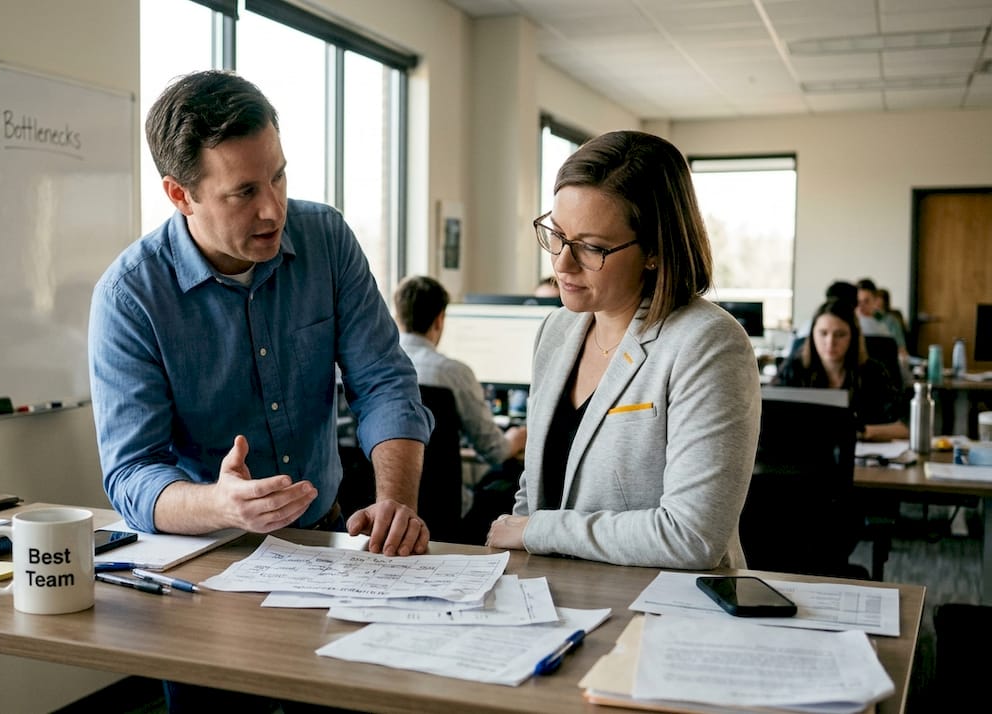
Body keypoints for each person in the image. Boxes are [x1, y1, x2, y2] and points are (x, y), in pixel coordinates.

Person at [89, 70, 434, 556]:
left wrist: (396, 503)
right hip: (208, 553)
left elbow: (383, 381)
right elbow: (132, 472)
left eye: (278, 176)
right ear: (180, 195)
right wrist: (220, 504)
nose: (273, 210)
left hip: (323, 532)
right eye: (244, 192)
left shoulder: (327, 239)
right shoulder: (129, 298)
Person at [485, 130, 761, 569]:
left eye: (592, 247)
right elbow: (535, 487)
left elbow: (691, 535)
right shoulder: (556, 330)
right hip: (550, 597)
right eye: (557, 235)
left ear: (654, 249)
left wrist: (538, 531)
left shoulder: (707, 342)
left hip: (659, 610)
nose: (561, 263)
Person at [394, 275, 528, 468]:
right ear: (439, 320)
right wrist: (517, 437)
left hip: (379, 494)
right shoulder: (454, 374)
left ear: (397, 317)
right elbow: (495, 451)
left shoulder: (379, 369)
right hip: (441, 495)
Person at [774, 298, 908, 442]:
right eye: (823, 333)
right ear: (812, 335)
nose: (830, 342)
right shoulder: (794, 368)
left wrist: (859, 432)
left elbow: (903, 428)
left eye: (840, 335)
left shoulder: (873, 373)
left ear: (853, 337)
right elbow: (766, 415)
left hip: (863, 459)